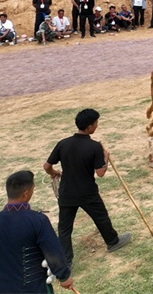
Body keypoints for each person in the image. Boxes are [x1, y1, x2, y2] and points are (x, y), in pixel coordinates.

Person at [43, 109, 131, 266]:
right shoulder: (94, 147)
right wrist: (105, 158)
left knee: (64, 228)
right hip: (87, 192)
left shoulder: (63, 143)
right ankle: (112, 241)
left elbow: (47, 166)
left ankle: (65, 260)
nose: (97, 125)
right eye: (96, 123)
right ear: (90, 126)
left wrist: (55, 172)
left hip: (67, 193)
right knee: (101, 217)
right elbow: (101, 172)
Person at [0, 170, 73, 294]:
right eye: (32, 189)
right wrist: (64, 276)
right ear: (26, 193)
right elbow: (53, 251)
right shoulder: (38, 221)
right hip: (34, 289)